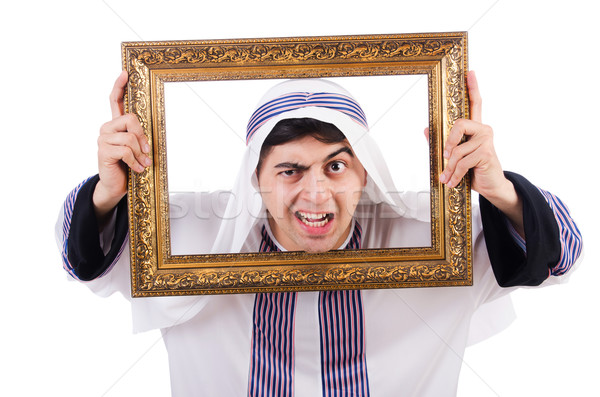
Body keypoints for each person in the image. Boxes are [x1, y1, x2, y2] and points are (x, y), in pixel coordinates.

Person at [56, 70, 582, 396]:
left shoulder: (433, 240)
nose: (315, 194)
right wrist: (108, 194)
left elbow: (563, 256)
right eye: (289, 170)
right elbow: (77, 255)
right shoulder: (187, 244)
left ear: (365, 173)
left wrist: (499, 191)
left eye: (336, 166)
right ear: (254, 179)